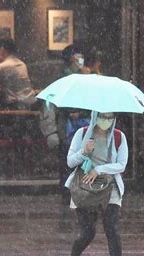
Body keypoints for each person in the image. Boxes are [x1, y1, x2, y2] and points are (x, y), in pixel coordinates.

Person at [65, 111, 128, 256]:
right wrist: (84, 152)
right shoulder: (83, 134)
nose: (106, 121)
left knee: (112, 228)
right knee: (88, 233)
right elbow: (70, 161)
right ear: (95, 116)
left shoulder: (118, 136)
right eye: (102, 116)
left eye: (110, 117)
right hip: (85, 187)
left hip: (110, 186)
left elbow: (121, 164)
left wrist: (99, 170)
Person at [57, 44, 90, 204]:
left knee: (69, 155)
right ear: (71, 57)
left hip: (72, 124)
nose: (81, 59)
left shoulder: (78, 75)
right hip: (71, 123)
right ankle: (72, 188)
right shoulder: (70, 77)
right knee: (73, 154)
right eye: (78, 55)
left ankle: (69, 188)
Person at [0, 38, 36, 109]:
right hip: (29, 105)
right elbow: (1, 77)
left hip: (15, 106)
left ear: (2, 50)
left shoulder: (4, 66)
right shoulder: (21, 64)